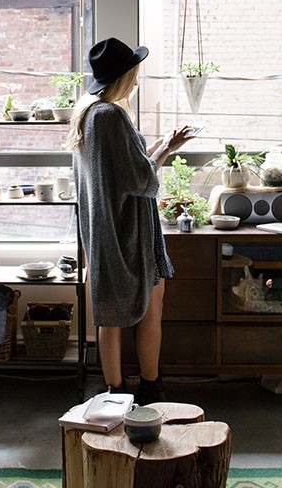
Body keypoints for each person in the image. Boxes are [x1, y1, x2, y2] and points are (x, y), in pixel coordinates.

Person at [66, 37, 196, 405]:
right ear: (123, 76)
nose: (137, 80)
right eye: (134, 73)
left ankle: (114, 393)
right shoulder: (112, 116)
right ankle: (151, 387)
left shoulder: (88, 114)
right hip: (130, 234)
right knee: (150, 309)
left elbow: (124, 169)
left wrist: (162, 146)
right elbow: (140, 180)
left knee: (109, 313)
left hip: (104, 233)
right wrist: (165, 153)